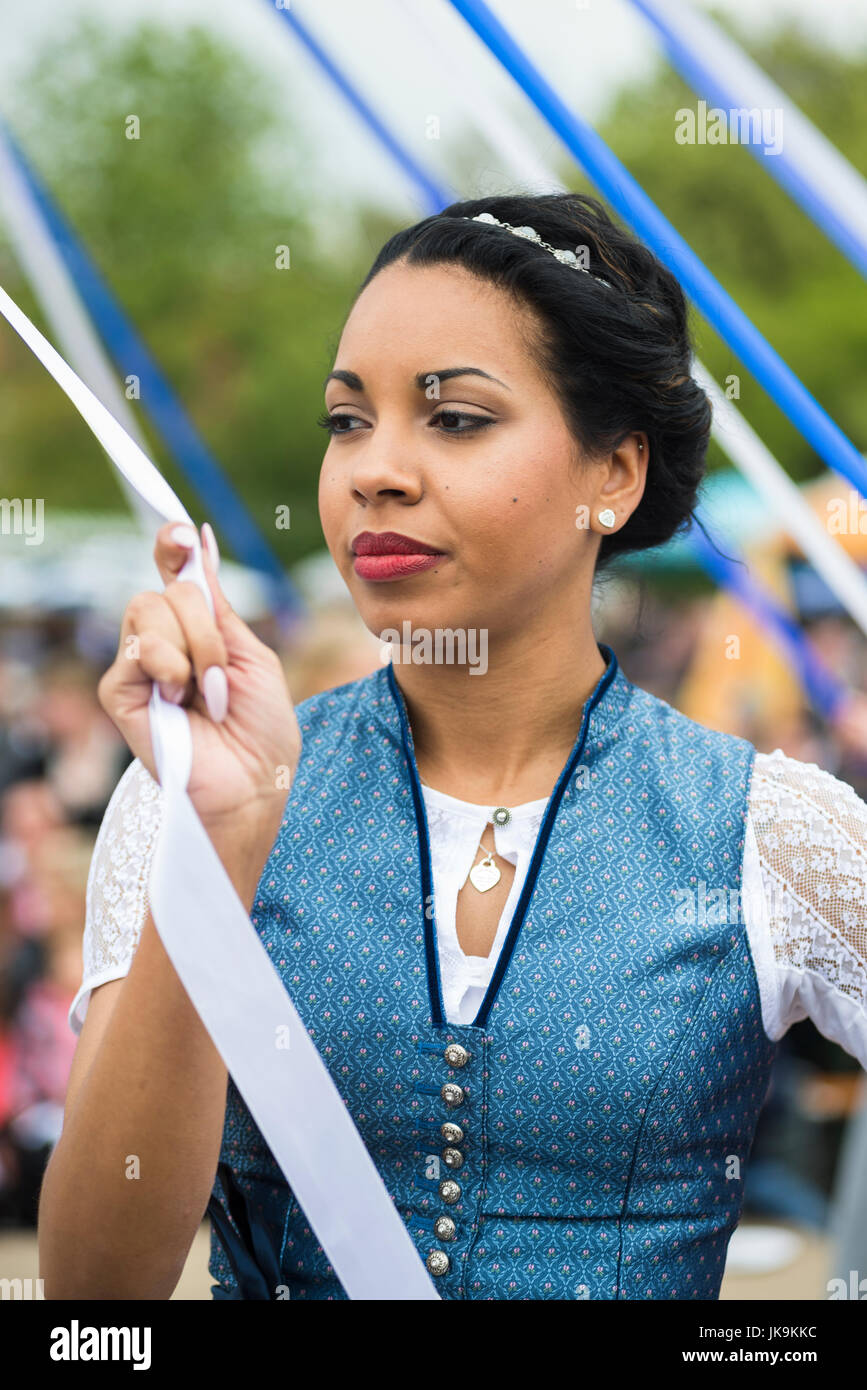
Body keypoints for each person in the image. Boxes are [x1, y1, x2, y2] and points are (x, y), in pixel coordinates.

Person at [37, 193, 867, 1300]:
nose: (375, 469)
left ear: (611, 476)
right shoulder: (191, 796)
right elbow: (94, 1299)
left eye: (457, 419)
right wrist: (220, 849)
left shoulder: (772, 834)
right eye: (347, 420)